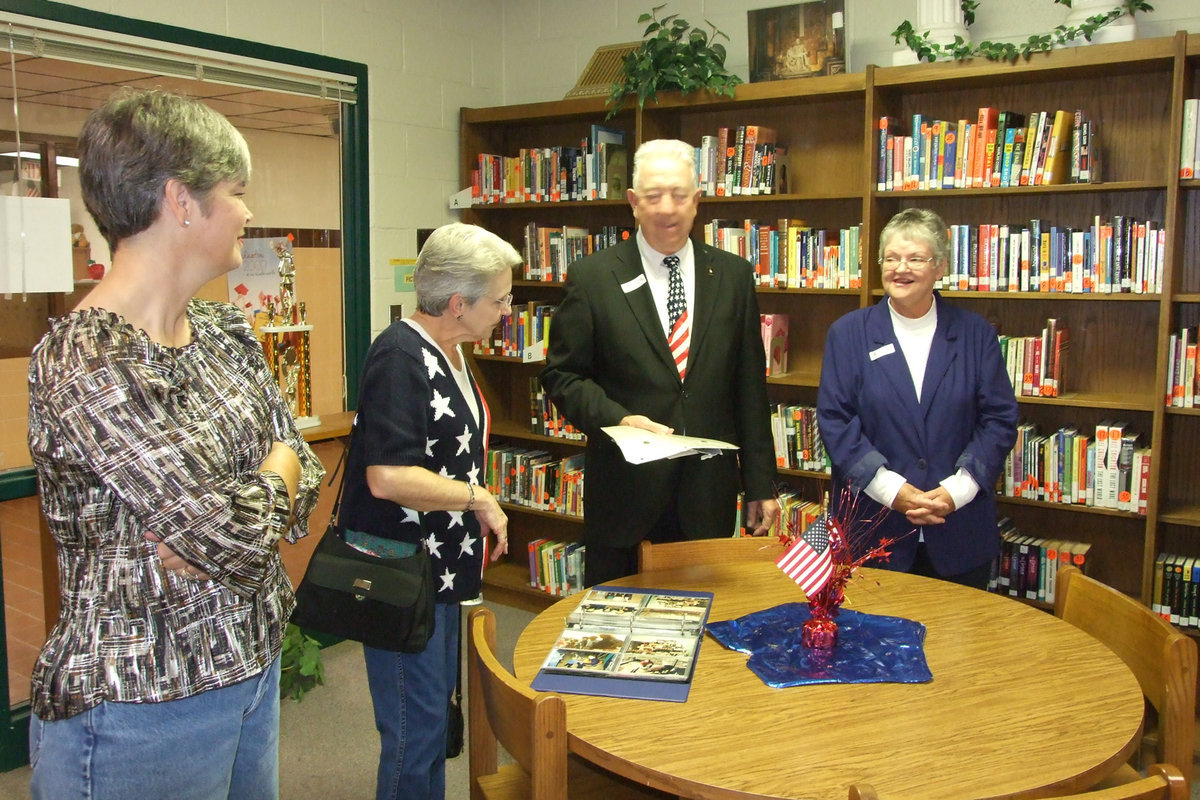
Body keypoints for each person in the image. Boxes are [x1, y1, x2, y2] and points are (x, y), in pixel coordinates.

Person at [25, 88, 325, 800]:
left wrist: (274, 475)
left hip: (252, 664)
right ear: (180, 201)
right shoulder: (86, 356)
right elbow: (220, 529)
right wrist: (269, 479)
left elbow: (301, 465)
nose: (248, 213)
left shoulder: (225, 333)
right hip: (140, 703)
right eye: (235, 191)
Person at [540, 138, 780, 587]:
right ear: (633, 202)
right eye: (653, 196)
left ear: (697, 202)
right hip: (624, 496)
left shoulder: (733, 275)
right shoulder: (592, 278)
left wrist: (761, 484)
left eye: (679, 194)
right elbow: (561, 376)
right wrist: (619, 418)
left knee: (703, 622)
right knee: (618, 631)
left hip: (706, 495)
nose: (666, 208)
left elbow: (749, 385)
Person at [338, 222, 514, 800]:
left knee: (436, 724)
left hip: (439, 573)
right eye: (500, 299)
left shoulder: (452, 351)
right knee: (414, 732)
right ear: (458, 303)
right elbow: (386, 476)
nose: (507, 310)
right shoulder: (399, 355)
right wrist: (478, 498)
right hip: (402, 575)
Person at [816, 208, 1019, 589]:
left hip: (958, 532)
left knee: (960, 647)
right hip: (873, 532)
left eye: (914, 258)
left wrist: (955, 492)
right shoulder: (848, 334)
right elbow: (835, 421)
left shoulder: (976, 334)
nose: (900, 268)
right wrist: (893, 492)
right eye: (890, 258)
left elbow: (999, 419)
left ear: (940, 266)